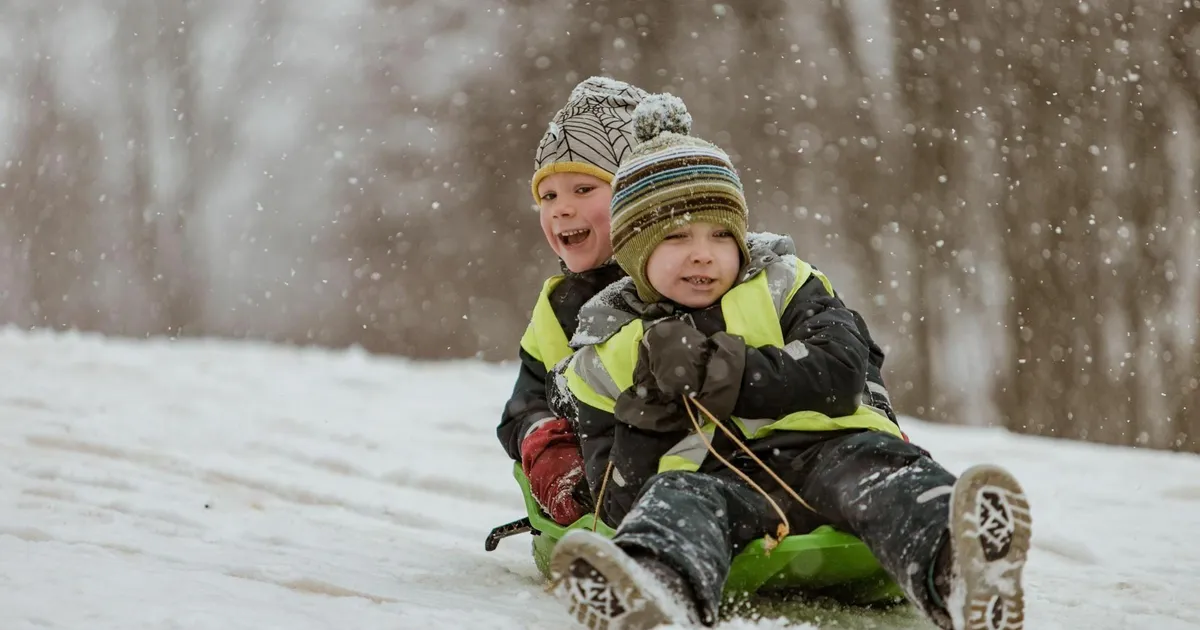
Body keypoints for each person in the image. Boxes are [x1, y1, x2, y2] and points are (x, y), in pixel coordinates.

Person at [549, 92, 1032, 630]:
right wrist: (648, 412)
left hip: (829, 450)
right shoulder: (606, 352)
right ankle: (659, 592)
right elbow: (615, 502)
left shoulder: (786, 285)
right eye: (677, 237)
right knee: (675, 501)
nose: (703, 253)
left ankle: (962, 573)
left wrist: (725, 370)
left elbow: (841, 370)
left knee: (889, 477)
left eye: (719, 235)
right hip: (719, 480)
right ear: (636, 251)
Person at [496, 76, 649, 526]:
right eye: (548, 196)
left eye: (584, 190)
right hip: (601, 485)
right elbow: (523, 406)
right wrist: (550, 450)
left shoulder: (692, 278)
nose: (560, 208)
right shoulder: (556, 309)